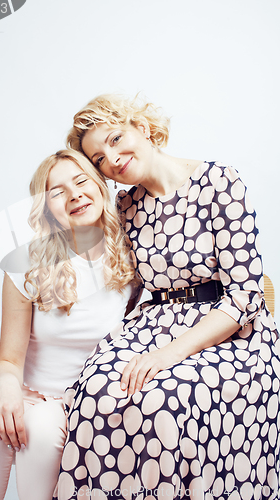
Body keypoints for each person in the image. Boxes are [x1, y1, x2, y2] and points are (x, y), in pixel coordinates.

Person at [55, 95, 280, 500]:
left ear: (141, 127)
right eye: (100, 159)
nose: (113, 158)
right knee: (94, 393)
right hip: (153, 323)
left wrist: (167, 355)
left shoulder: (220, 182)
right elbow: (103, 273)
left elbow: (247, 294)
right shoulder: (124, 206)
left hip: (231, 330)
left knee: (162, 397)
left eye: (116, 138)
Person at [0, 149, 136, 500]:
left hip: (88, 402)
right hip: (32, 395)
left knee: (41, 428)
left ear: (101, 186)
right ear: (46, 211)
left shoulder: (133, 257)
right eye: (57, 192)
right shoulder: (27, 264)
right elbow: (8, 360)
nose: (74, 195)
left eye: (82, 181)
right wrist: (7, 386)